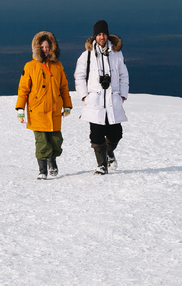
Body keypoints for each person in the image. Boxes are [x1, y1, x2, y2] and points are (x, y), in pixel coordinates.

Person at [74, 19, 129, 175]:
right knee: (96, 134)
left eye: (104, 34)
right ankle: (101, 165)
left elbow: (124, 75)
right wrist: (84, 96)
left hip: (113, 100)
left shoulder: (117, 54)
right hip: (95, 102)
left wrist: (123, 95)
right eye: (98, 34)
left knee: (116, 134)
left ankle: (109, 152)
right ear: (94, 36)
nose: (102, 37)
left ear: (107, 35)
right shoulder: (87, 55)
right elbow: (79, 76)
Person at [16, 30, 72, 180]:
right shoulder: (30, 66)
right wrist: (20, 108)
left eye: (48, 46)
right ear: (37, 48)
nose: (45, 49)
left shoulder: (58, 66)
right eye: (42, 47)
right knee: (42, 142)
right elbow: (23, 89)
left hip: (54, 110)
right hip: (37, 111)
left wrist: (67, 105)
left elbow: (64, 87)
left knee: (56, 140)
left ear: (53, 47)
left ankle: (52, 160)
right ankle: (42, 171)